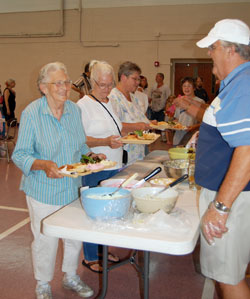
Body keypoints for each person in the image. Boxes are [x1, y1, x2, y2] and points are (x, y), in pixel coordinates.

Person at [12, 62, 105, 299]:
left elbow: (80, 146)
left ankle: (70, 276)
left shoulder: (74, 111)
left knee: (74, 237)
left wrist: (92, 156)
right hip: (43, 189)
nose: (65, 87)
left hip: (72, 187)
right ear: (44, 87)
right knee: (46, 239)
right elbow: (20, 154)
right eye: (59, 83)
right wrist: (43, 165)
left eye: (66, 81)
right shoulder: (32, 113)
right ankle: (43, 283)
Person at [195, 19, 250, 299]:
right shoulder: (236, 84)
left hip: (232, 197)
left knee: (228, 277)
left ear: (231, 50)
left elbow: (248, 150)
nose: (209, 54)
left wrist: (220, 206)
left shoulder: (243, 84)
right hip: (230, 195)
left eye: (213, 47)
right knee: (225, 273)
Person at [77, 60, 123, 273]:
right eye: (102, 85)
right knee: (93, 213)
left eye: (110, 84)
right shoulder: (83, 105)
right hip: (95, 167)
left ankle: (103, 250)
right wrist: (105, 142)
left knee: (109, 211)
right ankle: (89, 256)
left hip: (115, 164)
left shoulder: (110, 101)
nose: (107, 89)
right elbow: (80, 139)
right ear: (93, 82)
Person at [109, 61, 152, 165]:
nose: (138, 82)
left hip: (138, 153)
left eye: (139, 79)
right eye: (135, 79)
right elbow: (113, 127)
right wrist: (137, 126)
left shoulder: (134, 98)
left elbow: (140, 119)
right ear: (123, 77)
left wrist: (150, 123)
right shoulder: (113, 98)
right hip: (124, 155)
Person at [173, 77, 205, 146]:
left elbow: (203, 122)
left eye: (189, 86)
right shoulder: (179, 100)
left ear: (194, 88)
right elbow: (177, 119)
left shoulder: (200, 102)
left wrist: (193, 127)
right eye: (184, 86)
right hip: (178, 137)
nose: (186, 88)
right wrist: (173, 124)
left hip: (192, 138)